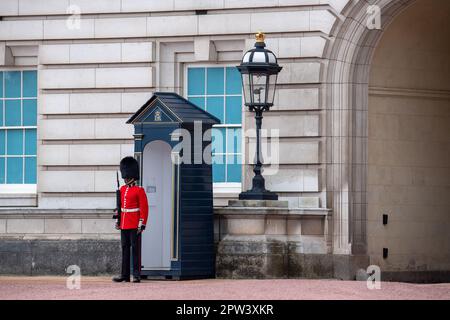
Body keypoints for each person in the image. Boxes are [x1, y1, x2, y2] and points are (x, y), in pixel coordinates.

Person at [112, 156, 149, 283]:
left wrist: (142, 223)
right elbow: (120, 207)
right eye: (125, 176)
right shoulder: (122, 190)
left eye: (127, 176)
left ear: (132, 176)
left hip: (134, 224)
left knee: (135, 249)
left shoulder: (139, 190)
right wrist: (117, 220)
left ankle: (137, 274)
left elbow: (144, 208)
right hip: (124, 224)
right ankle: (125, 275)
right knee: (125, 249)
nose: (125, 178)